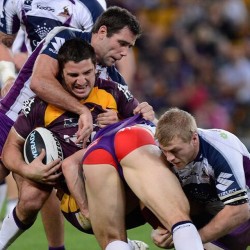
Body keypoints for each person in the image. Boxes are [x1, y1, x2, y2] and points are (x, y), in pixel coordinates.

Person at [0, 5, 141, 249]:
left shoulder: (111, 78)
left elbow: (136, 119)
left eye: (129, 47)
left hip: (49, 135)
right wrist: (82, 110)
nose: (125, 52)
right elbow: (40, 81)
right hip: (11, 118)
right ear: (102, 31)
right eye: (122, 43)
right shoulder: (64, 36)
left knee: (32, 199)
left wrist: (124, 120)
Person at [66, 112, 203, 250]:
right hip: (135, 139)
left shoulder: (111, 132)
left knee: (113, 241)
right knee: (178, 219)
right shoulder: (172, 136)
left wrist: (86, 211)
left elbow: (68, 164)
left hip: (95, 151)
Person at [153, 107, 250, 250]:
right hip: (208, 207)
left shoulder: (221, 148)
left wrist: (192, 240)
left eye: (174, 151)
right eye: (164, 150)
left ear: (194, 138)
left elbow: (239, 210)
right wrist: (163, 226)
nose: (169, 158)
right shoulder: (164, 147)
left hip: (242, 208)